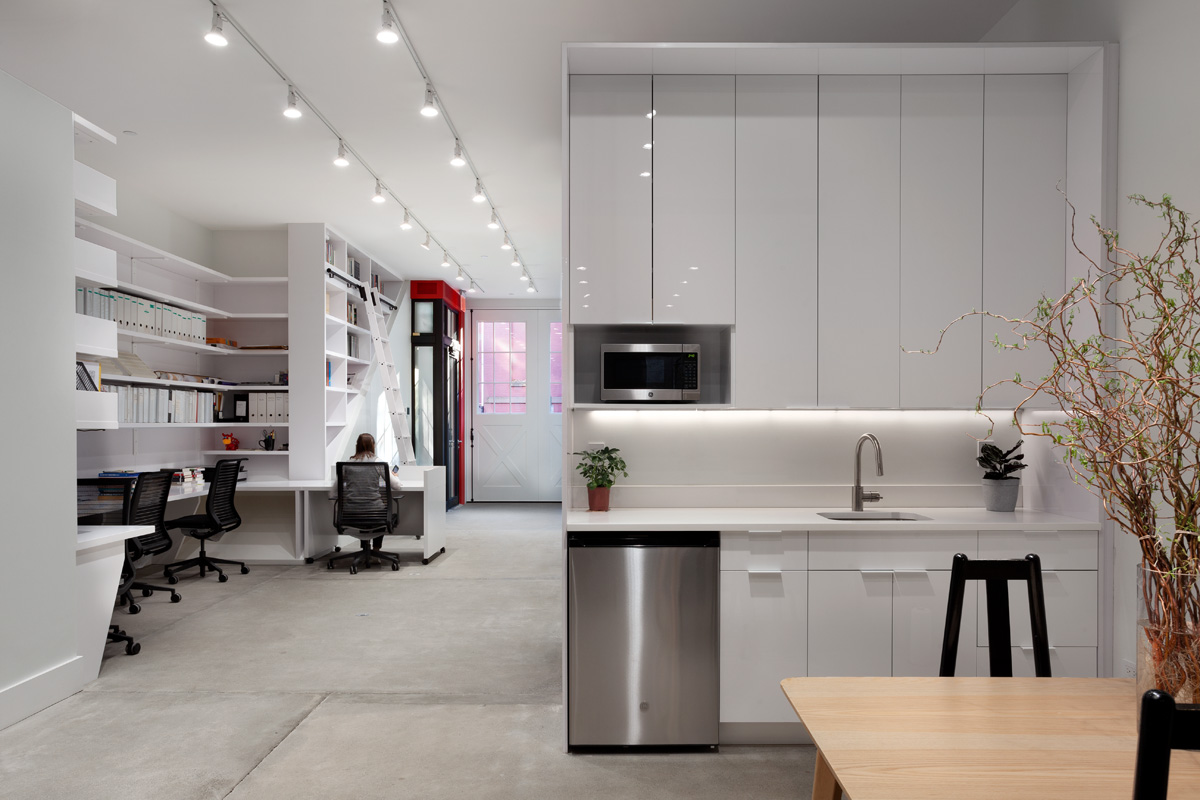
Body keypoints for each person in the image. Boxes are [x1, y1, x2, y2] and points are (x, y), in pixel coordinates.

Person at [346, 433, 403, 550]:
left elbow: (335, 489)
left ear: (357, 446)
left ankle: (365, 550)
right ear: (373, 446)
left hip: (351, 513)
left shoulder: (347, 463)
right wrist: (395, 476)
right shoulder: (378, 462)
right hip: (375, 513)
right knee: (378, 511)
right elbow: (397, 486)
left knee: (362, 508)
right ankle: (376, 551)